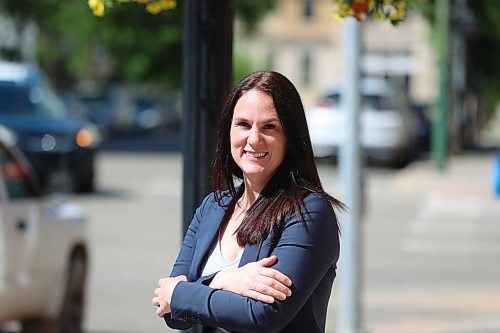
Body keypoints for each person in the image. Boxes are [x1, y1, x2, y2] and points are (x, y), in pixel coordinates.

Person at [152, 71, 344, 333]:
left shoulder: (308, 212)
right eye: (243, 124)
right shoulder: (213, 207)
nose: (254, 139)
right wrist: (223, 280)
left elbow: (263, 315)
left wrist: (189, 292)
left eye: (269, 127)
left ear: (291, 137)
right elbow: (170, 310)